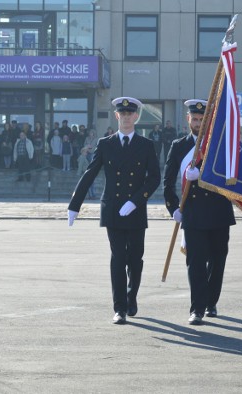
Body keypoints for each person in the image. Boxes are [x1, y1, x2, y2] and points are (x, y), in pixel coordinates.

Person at [67, 97, 160, 325]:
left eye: (130, 113)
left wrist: (137, 201)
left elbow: (154, 178)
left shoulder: (146, 145)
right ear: (117, 116)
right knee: (118, 258)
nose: (126, 117)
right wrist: (74, 205)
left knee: (135, 258)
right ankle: (119, 308)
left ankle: (131, 296)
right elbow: (90, 173)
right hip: (113, 209)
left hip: (135, 211)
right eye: (122, 113)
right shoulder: (105, 144)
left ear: (136, 117)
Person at [164, 99, 236, 325]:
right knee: (195, 263)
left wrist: (204, 177)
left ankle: (211, 302)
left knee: (217, 260)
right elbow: (167, 181)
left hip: (218, 211)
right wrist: (173, 208)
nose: (198, 123)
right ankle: (196, 308)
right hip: (193, 213)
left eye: (202, 119)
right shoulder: (179, 146)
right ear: (188, 120)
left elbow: (230, 179)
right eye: (194, 119)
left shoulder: (220, 146)